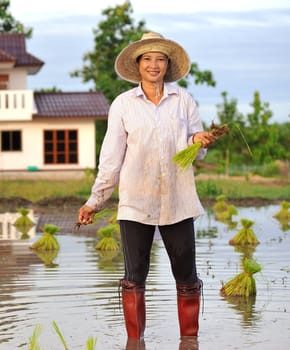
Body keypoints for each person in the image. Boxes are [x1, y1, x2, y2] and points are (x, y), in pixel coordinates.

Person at [78, 32, 216, 342]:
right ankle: (134, 342)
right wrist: (94, 201)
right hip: (135, 202)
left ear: (168, 65)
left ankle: (189, 342)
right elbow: (111, 159)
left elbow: (198, 148)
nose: (154, 64)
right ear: (138, 65)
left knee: (186, 277)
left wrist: (197, 141)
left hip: (178, 200)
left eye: (160, 59)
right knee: (134, 277)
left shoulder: (184, 101)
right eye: (148, 59)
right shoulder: (124, 105)